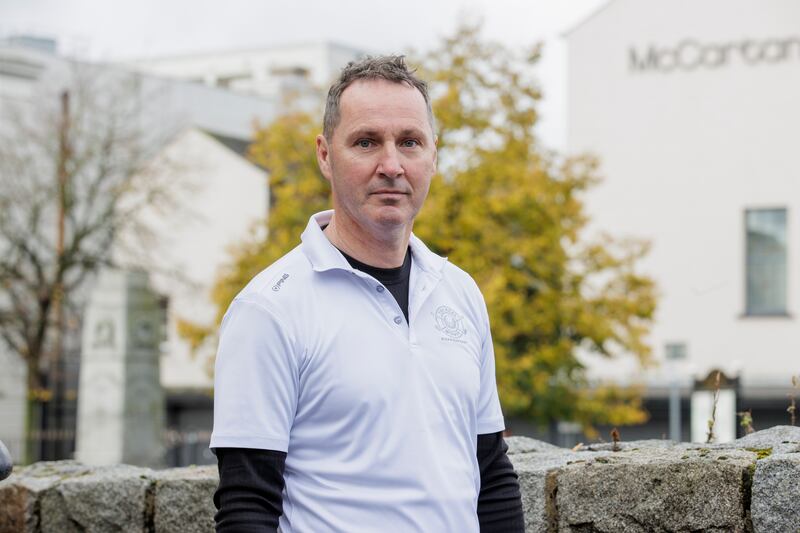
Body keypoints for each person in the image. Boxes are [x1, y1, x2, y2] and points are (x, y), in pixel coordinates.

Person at [210, 55, 524, 533]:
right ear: (324, 155)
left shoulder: (459, 292)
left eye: (410, 142)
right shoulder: (269, 309)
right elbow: (247, 507)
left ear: (433, 154)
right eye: (366, 142)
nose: (392, 165)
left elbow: (492, 475)